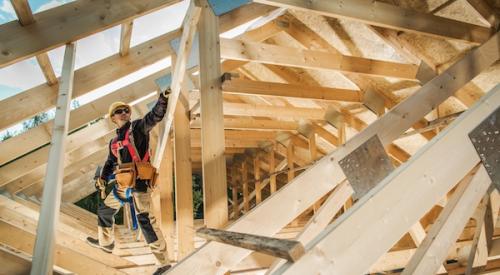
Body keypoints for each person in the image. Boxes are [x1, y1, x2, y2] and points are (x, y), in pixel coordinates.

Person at [86, 89, 171, 274]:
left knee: (145, 221)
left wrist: (163, 99)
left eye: (126, 110)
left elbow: (155, 116)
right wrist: (102, 178)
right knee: (105, 210)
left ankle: (164, 263)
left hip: (139, 183)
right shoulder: (114, 142)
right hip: (123, 184)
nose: (124, 112)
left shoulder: (138, 128)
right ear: (113, 118)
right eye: (119, 111)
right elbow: (110, 162)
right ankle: (106, 243)